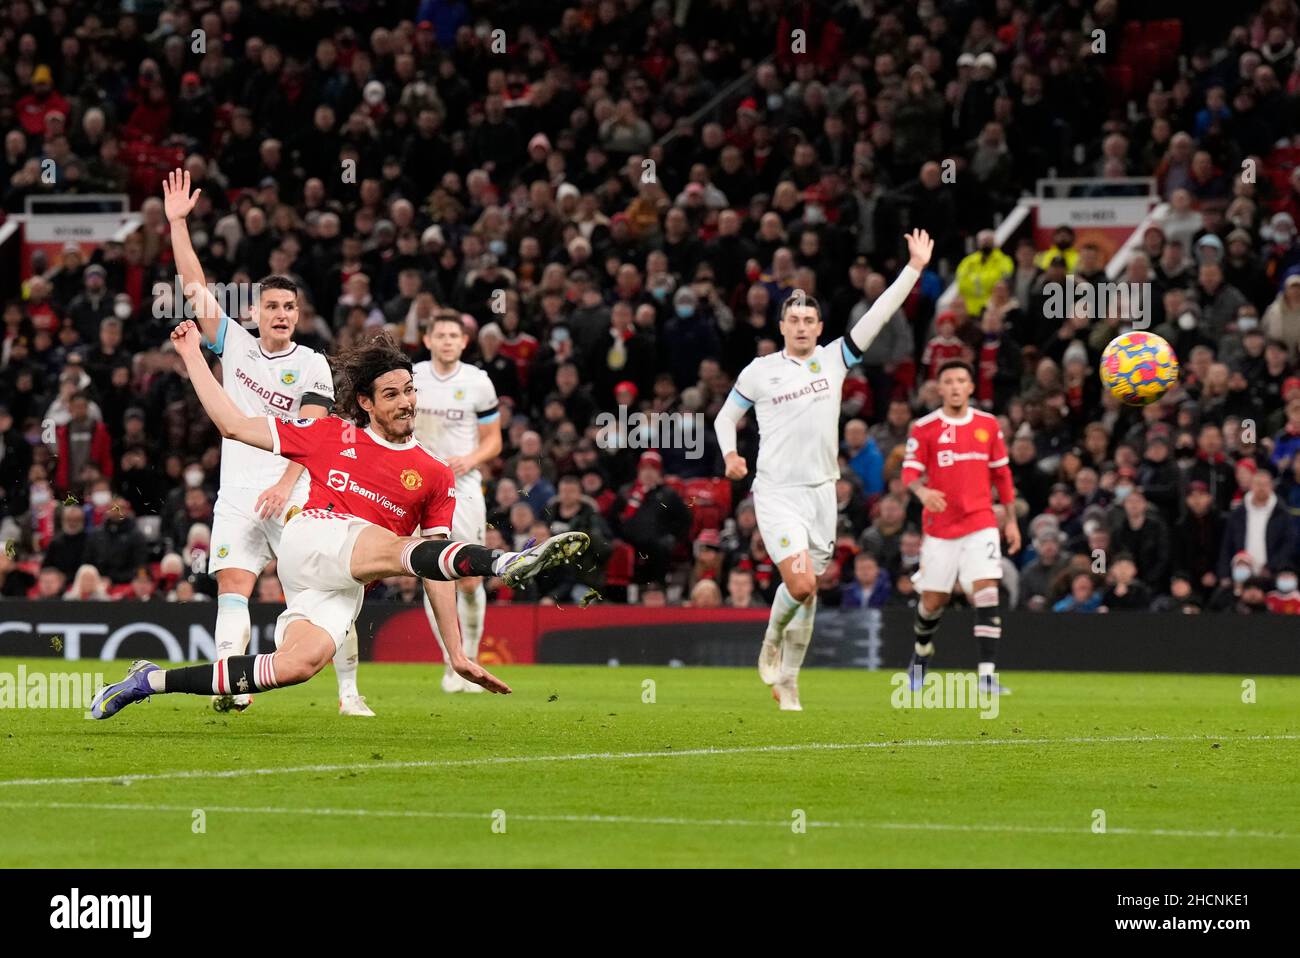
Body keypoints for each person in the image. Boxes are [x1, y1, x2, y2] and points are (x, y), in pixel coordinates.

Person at [90, 323, 589, 720]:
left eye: (409, 391)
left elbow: (435, 569)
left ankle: (147, 681)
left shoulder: (435, 475)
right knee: (398, 545)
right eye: (390, 395)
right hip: (314, 537)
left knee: (294, 667)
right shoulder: (329, 433)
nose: (406, 402)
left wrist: (455, 653)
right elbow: (232, 425)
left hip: (345, 582)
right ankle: (508, 561)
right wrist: (194, 356)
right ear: (367, 404)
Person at [162, 169, 372, 716]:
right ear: (255, 312)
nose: (280, 315)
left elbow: (315, 437)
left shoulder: (311, 364)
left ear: (298, 316)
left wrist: (285, 485)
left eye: (289, 309)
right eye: (272, 307)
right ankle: (232, 686)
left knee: (319, 595)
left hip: (296, 494)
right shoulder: (234, 345)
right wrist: (177, 224)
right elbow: (192, 287)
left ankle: (350, 693)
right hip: (236, 493)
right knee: (233, 586)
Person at [713, 229, 932, 710]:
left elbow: (879, 314)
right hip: (776, 493)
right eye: (794, 319)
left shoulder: (834, 360)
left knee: (810, 593)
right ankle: (771, 640)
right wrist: (730, 454)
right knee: (802, 584)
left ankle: (788, 678)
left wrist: (913, 269)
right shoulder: (759, 370)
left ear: (819, 325)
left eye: (810, 320)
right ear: (783, 325)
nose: (803, 326)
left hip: (821, 494)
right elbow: (725, 417)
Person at [901, 359, 1021, 694]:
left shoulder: (988, 425)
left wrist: (1011, 521)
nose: (955, 386)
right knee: (933, 601)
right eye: (949, 381)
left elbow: (1002, 475)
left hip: (980, 520)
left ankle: (986, 675)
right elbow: (909, 472)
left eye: (961, 380)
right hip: (940, 528)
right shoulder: (924, 427)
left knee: (985, 589)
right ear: (939, 389)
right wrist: (922, 491)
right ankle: (922, 653)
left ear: (970, 386)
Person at [411, 312, 502, 694]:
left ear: (464, 342)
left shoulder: (478, 382)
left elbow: (494, 440)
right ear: (428, 339)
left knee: (468, 577)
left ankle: (471, 656)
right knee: (433, 574)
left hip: (463, 487)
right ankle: (453, 663)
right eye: (440, 334)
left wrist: (471, 459)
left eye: (454, 335)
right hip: (416, 485)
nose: (447, 341)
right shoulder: (411, 378)